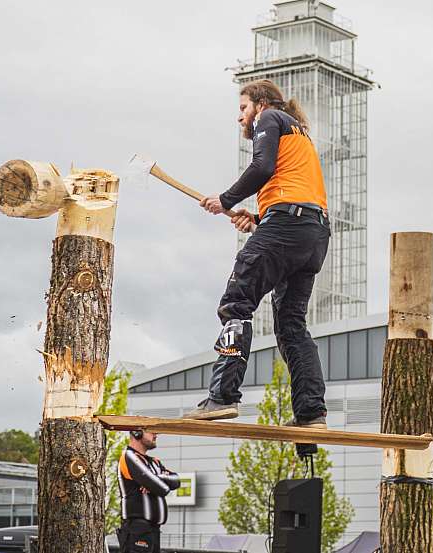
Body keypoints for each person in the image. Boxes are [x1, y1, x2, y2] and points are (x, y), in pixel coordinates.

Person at [183, 79, 331, 428]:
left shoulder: (271, 118)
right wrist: (260, 218)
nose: (241, 118)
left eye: (243, 108)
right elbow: (293, 187)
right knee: (292, 327)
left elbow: (261, 168)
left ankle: (222, 397)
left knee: (236, 304)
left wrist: (226, 200)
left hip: (287, 227)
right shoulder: (299, 133)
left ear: (260, 104)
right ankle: (311, 413)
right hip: (312, 232)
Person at [117, 429, 179, 553]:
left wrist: (156, 478)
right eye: (151, 432)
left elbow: (176, 480)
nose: (156, 434)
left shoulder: (155, 462)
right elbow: (162, 489)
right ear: (136, 433)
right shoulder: (128, 456)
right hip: (137, 529)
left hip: (154, 530)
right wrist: (156, 481)